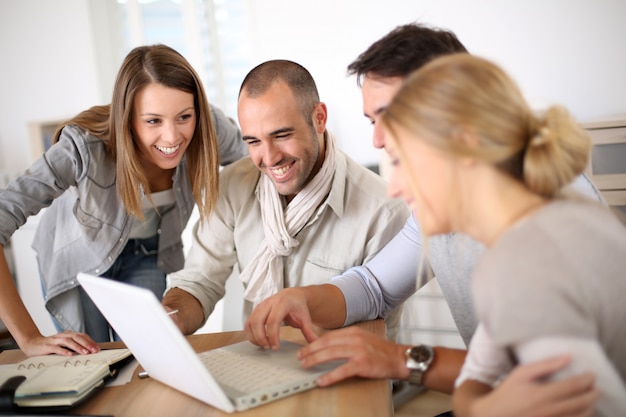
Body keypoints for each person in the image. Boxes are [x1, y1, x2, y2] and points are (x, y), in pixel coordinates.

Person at [245, 23, 602, 415]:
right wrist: (303, 298)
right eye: (371, 120)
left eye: (387, 115)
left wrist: (400, 359)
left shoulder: (546, 226)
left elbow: (544, 386)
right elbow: (376, 285)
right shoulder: (445, 200)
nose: (377, 139)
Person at [381, 53, 625, 417]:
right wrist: (482, 407)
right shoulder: (525, 236)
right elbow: (471, 386)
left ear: (463, 145)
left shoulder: (529, 262)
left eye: (400, 161)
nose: (393, 187)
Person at [0, 44, 247, 355]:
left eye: (184, 116)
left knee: (147, 355)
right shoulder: (83, 147)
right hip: (80, 260)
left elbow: (254, 170)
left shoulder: (208, 127)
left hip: (146, 254)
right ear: (127, 118)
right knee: (92, 362)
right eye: (153, 121)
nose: (172, 137)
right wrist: (27, 339)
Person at [161, 59, 409, 337]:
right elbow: (200, 281)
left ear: (319, 118)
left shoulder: (383, 211)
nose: (268, 158)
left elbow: (376, 321)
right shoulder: (231, 187)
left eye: (281, 135)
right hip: (261, 366)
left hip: (344, 371)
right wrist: (171, 317)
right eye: (253, 141)